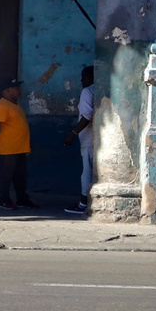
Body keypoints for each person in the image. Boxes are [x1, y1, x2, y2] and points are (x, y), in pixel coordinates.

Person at [0, 77, 36, 210]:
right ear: (7, 91)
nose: (19, 91)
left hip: (20, 147)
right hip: (7, 148)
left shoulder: (16, 105)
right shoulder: (2, 105)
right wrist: (5, 138)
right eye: (15, 88)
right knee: (6, 175)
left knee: (20, 176)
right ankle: (4, 200)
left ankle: (22, 199)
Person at [63, 65, 95, 214]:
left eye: (84, 77)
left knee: (87, 171)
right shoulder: (99, 89)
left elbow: (87, 116)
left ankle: (83, 203)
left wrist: (73, 133)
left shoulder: (87, 91)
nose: (82, 80)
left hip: (89, 139)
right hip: (97, 138)